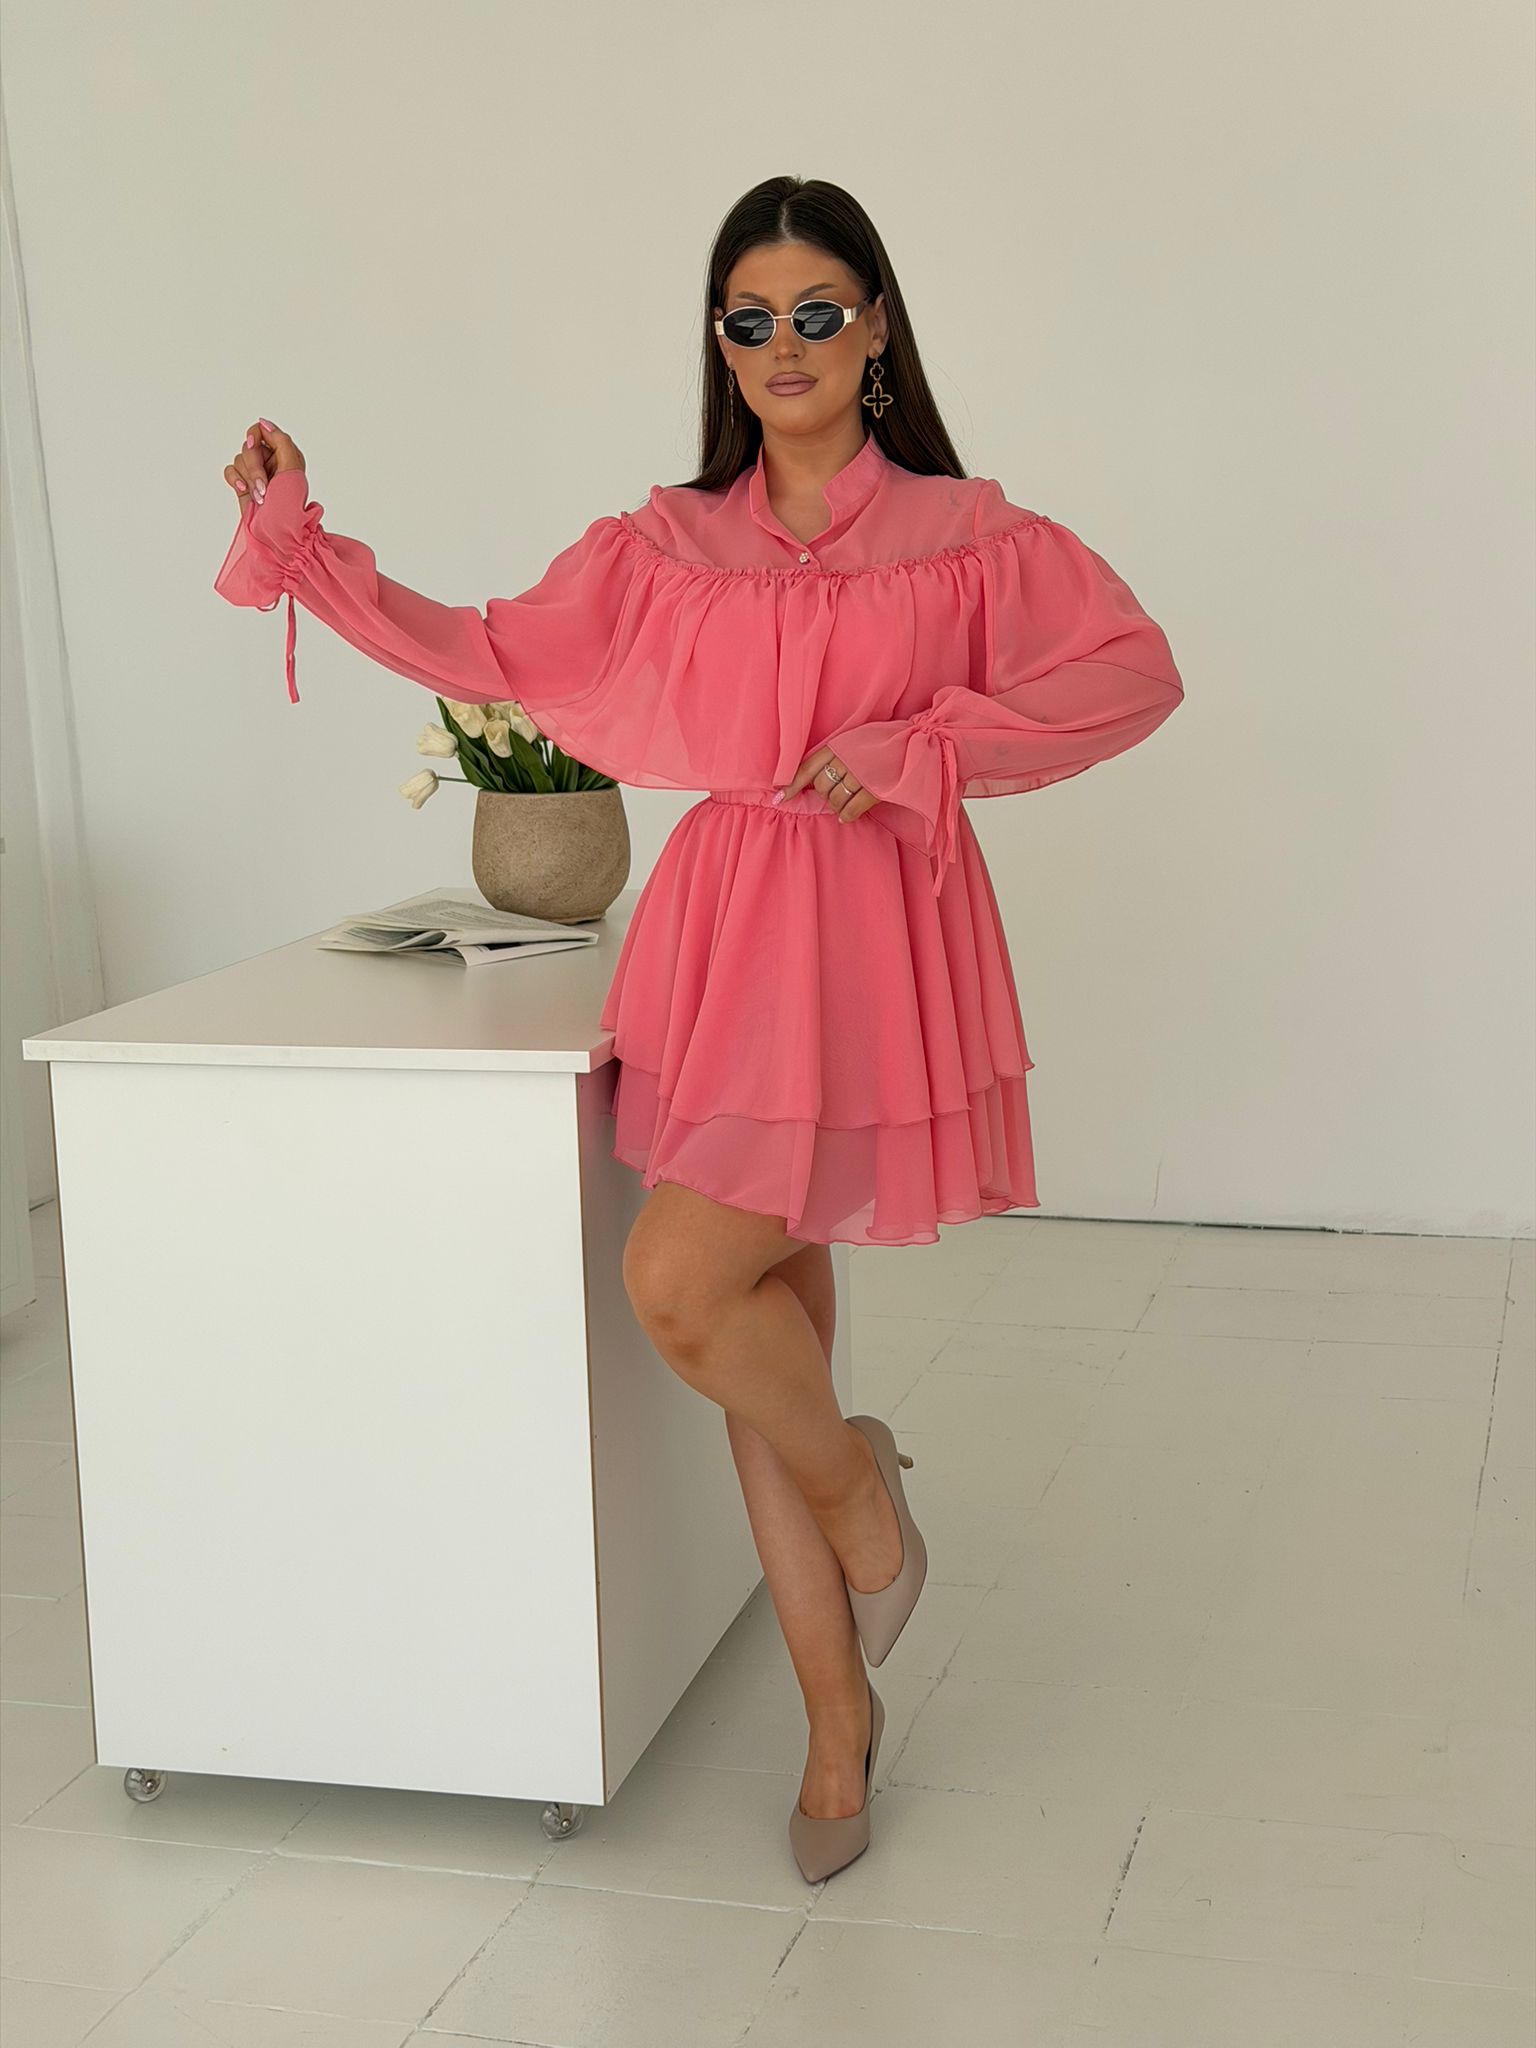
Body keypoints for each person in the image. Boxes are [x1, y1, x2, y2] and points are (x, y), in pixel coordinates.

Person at [214, 175, 1185, 1883]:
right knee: (740, 1309)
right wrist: (302, 541)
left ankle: (859, 1549)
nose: (784, 345)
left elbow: (1129, 672)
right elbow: (485, 650)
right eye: (750, 319)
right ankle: (843, 1672)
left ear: (876, 327)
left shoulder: (967, 532)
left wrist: (923, 744)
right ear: (720, 347)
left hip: (876, 933)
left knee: (693, 1286)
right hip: (729, 932)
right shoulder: (665, 545)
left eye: (817, 311)